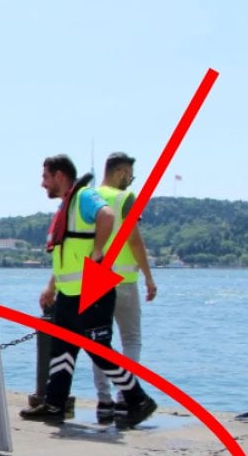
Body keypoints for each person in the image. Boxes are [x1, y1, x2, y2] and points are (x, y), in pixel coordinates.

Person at [19, 154, 157, 427]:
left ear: (60, 176)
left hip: (92, 289)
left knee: (97, 348)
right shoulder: (66, 207)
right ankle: (55, 404)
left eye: (45, 177)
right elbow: (65, 252)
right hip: (71, 293)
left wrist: (97, 250)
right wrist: (51, 286)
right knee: (62, 349)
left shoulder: (83, 197)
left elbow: (106, 214)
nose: (42, 184)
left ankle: (138, 399)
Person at [90, 152, 158, 422]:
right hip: (124, 278)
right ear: (119, 172)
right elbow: (135, 241)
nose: (131, 180)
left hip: (95, 276)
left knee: (99, 342)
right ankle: (124, 398)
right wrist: (149, 277)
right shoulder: (124, 198)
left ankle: (103, 400)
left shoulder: (90, 197)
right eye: (130, 174)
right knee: (131, 339)